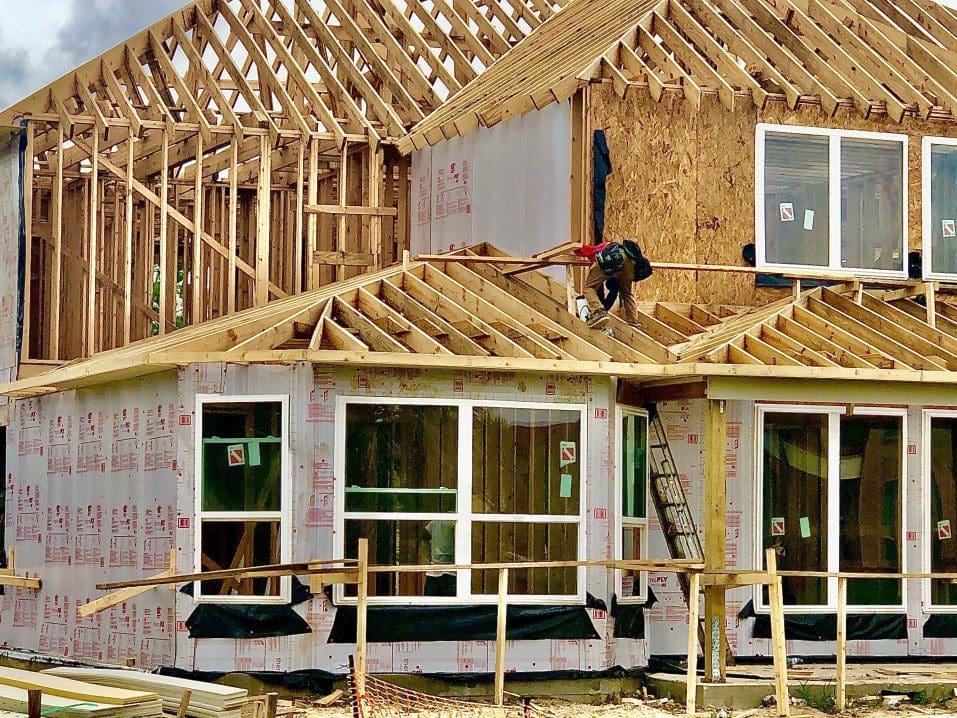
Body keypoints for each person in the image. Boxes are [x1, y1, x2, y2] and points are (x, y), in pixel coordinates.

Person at [577, 240, 652, 329]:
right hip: (630, 266)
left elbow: (588, 250)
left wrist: (577, 249)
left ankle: (598, 312)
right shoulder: (626, 253)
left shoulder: (604, 246)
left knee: (589, 287)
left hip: (616, 260)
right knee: (627, 294)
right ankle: (633, 322)